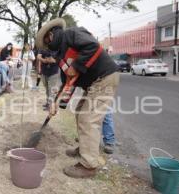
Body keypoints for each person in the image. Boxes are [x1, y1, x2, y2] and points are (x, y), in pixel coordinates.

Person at [35, 18, 119, 178]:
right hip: (93, 83)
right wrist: (56, 103)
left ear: (51, 35)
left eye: (46, 42)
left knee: (89, 119)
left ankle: (88, 165)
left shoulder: (72, 34)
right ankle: (84, 149)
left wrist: (77, 66)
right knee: (81, 113)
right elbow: (68, 82)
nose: (47, 47)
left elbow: (93, 47)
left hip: (105, 78)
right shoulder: (61, 56)